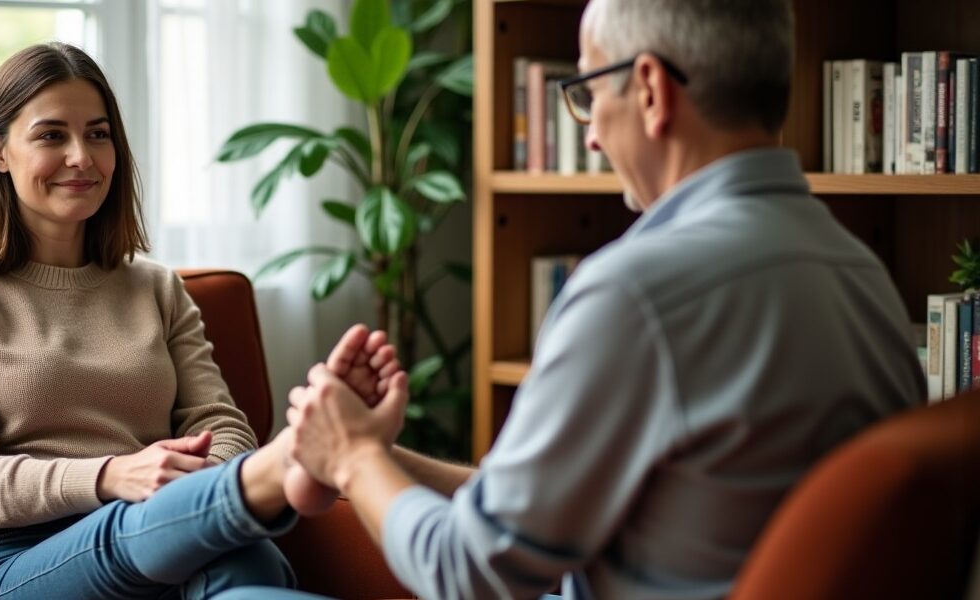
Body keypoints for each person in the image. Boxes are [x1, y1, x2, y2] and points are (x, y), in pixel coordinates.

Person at [220, 1, 929, 599]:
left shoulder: (636, 293)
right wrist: (380, 451)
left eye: (590, 89)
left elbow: (467, 572)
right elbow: (544, 510)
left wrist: (350, 460)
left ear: (650, 89)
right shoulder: (861, 274)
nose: (587, 130)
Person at [0, 42, 401, 599]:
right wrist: (113, 476)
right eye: (51, 135)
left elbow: (222, 424)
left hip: (171, 529)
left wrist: (184, 490)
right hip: (22, 559)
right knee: (222, 544)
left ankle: (267, 478)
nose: (82, 157)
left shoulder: (156, 287)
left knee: (244, 568)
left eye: (98, 134)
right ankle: (287, 464)